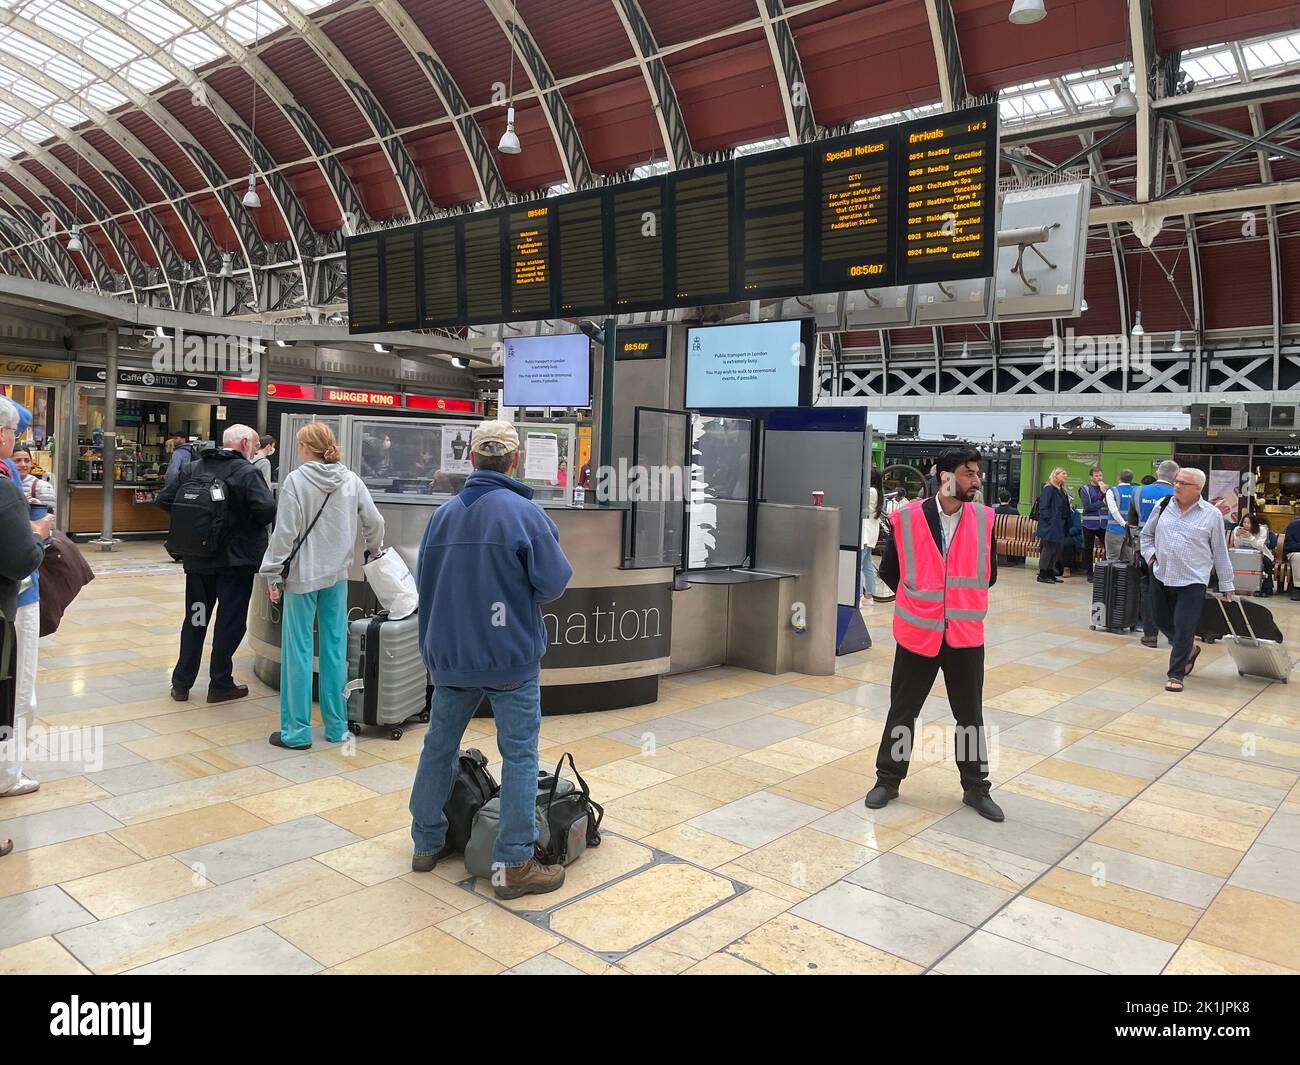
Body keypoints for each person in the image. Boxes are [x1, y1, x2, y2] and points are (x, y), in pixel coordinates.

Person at [408, 420, 574, 899]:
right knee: (519, 754)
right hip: (510, 660)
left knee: (439, 746)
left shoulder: (441, 516)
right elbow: (553, 582)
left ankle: (426, 843)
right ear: (514, 460)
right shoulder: (524, 513)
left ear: (473, 459)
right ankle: (515, 862)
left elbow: (428, 585)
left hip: (451, 658)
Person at [863, 447, 1002, 822]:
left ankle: (976, 787)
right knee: (903, 711)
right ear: (945, 477)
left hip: (965, 635)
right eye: (969, 473)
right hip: (918, 634)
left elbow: (987, 575)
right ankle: (888, 780)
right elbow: (890, 571)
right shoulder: (907, 519)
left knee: (970, 715)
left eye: (977, 473)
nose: (976, 480)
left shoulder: (984, 518)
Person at [260, 422, 383, 750]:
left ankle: (297, 732)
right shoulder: (350, 479)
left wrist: (273, 573)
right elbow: (375, 521)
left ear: (305, 448)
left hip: (302, 578)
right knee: (333, 650)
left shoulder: (296, 481)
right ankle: (337, 727)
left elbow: (285, 533)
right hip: (337, 577)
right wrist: (373, 547)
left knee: (298, 652)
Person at [157, 424, 276, 704]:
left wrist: (198, 527)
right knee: (228, 622)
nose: (256, 450)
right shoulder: (247, 472)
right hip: (235, 565)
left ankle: (181, 683)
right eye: (256, 445)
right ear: (246, 443)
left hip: (198, 564)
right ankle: (220, 683)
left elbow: (165, 500)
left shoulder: (193, 469)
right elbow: (267, 510)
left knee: (196, 619)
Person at [1140, 467, 1234, 694]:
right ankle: (1189, 650)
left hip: (1193, 580)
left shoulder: (1211, 514)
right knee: (1161, 620)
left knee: (1184, 626)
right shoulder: (1163, 505)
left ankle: (1176, 674)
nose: (1177, 486)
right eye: (1177, 481)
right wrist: (1151, 557)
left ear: (1198, 489)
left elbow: (1220, 550)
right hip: (1162, 573)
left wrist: (1227, 583)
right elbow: (1146, 535)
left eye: (1183, 483)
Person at [0, 396, 49, 805]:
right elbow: (19, 560)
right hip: (13, 599)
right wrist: (38, 534)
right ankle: (7, 774)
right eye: (14, 433)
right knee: (17, 688)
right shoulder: (3, 481)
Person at [1131, 461, 1178, 647]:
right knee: (1173, 592)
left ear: (1158, 473)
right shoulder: (1177, 494)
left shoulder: (1139, 492)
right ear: (1175, 476)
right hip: (1171, 550)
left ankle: (1150, 635)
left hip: (1146, 550)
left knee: (1148, 590)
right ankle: (1174, 636)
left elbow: (1132, 521)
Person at [1035, 467, 1070, 584]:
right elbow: (1043, 507)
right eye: (1063, 473)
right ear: (1055, 475)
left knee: (1056, 549)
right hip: (1049, 525)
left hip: (1059, 523)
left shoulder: (1061, 490)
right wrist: (1050, 521)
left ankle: (1050, 572)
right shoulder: (1049, 488)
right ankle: (1042, 573)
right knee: (1048, 549)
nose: (1066, 476)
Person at [861, 468, 889, 603]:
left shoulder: (870, 492)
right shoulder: (878, 492)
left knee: (860, 566)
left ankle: (859, 596)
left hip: (865, 533)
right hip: (871, 532)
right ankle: (869, 594)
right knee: (867, 565)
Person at [1077, 466, 1107, 580]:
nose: (1099, 478)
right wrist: (1102, 501)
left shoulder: (1106, 488)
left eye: (1100, 475)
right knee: (1088, 549)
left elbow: (1109, 504)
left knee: (1107, 548)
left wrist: (1104, 494)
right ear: (1091, 477)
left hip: (1103, 524)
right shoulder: (1085, 489)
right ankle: (1089, 573)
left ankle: (1103, 572)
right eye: (1096, 476)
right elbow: (1088, 506)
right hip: (1089, 524)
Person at [1232, 512, 1272, 597]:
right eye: (1244, 522)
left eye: (1249, 523)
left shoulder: (1262, 530)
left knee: (1267, 562)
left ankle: (1267, 587)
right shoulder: (1237, 529)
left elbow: (1259, 546)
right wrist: (1238, 536)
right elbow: (1237, 545)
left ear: (1253, 524)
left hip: (1259, 553)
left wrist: (1250, 537)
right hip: (1242, 553)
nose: (1246, 525)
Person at [11, 446, 55, 514]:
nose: (23, 464)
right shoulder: (4, 483)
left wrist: (38, 507)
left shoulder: (43, 487)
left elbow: (50, 519)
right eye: (17, 461)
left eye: (27, 461)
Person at [1104, 469, 1137, 560]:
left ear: (1119, 478)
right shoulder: (1136, 491)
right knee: (1128, 559)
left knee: (1112, 559)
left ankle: (1112, 575)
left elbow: (1114, 511)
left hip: (1114, 530)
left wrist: (1124, 524)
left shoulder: (1112, 491)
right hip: (1131, 532)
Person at [1284, 512, 1300, 601]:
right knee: (1298, 556)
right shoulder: (1293, 526)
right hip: (1295, 553)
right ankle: (1298, 588)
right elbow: (1288, 546)